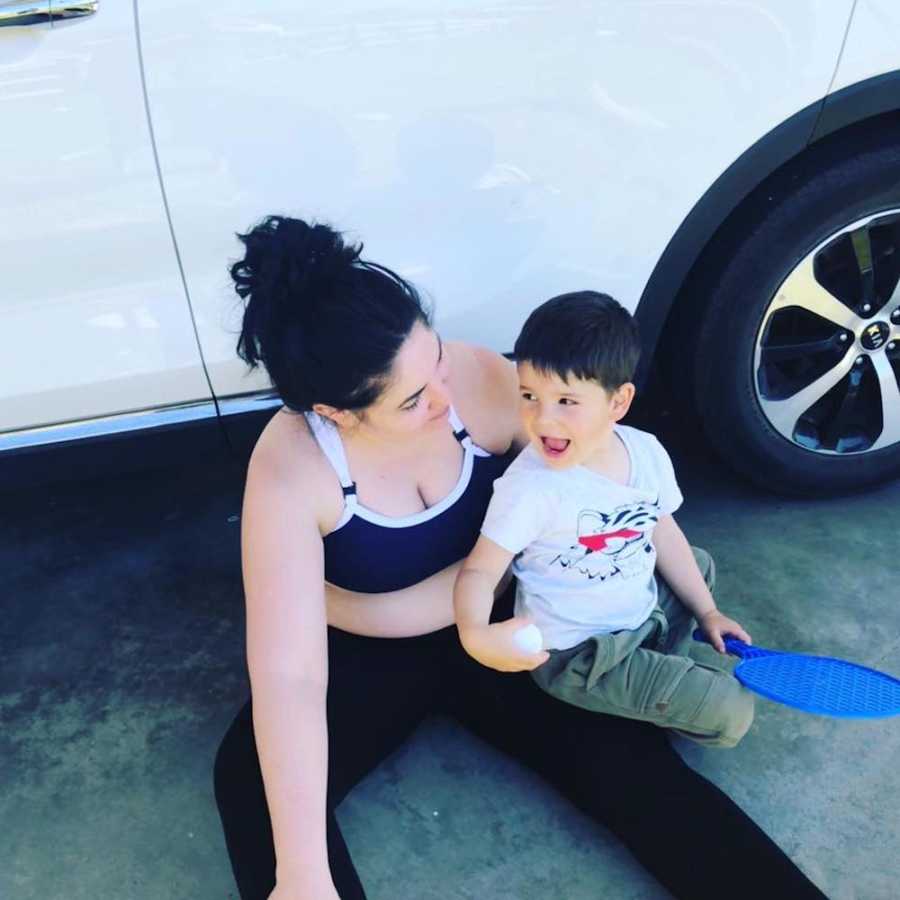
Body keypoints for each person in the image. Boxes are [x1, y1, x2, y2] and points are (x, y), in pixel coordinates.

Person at [213, 215, 829, 900]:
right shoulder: (290, 469)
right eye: (415, 399)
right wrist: (302, 871)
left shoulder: (476, 378)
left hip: (517, 623)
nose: (446, 396)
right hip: (373, 655)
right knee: (254, 781)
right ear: (334, 411)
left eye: (436, 361)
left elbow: (601, 490)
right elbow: (291, 678)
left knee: (631, 773)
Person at [454, 291, 755, 747]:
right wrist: (475, 635)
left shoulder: (646, 452)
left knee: (698, 565)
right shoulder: (530, 486)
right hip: (580, 656)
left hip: (637, 613)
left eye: (566, 401)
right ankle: (643, 690)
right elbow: (479, 570)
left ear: (618, 402)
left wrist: (708, 612)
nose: (542, 419)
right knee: (731, 712)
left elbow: (662, 530)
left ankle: (654, 674)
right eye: (530, 396)